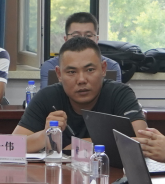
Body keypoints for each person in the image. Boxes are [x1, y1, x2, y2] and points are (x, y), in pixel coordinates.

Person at [13, 35, 155, 153]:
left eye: (90, 70)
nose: (81, 80)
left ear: (103, 69)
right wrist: (46, 135)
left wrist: (77, 146)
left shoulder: (120, 94)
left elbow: (141, 141)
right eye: (71, 72)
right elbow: (12, 146)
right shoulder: (47, 97)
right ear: (59, 74)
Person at [41, 12, 122, 85]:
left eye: (88, 35)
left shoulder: (112, 66)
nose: (82, 40)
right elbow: (46, 96)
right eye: (76, 36)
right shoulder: (50, 66)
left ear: (97, 40)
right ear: (66, 39)